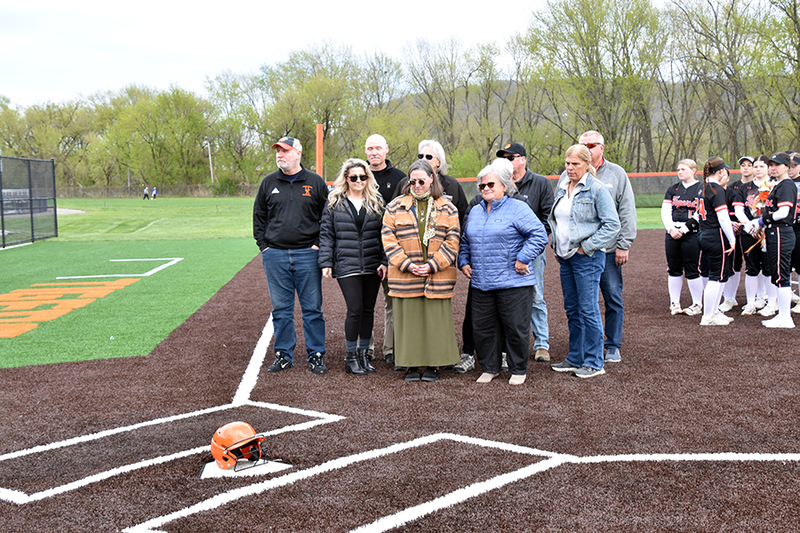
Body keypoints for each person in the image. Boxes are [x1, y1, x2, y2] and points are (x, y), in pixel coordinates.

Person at [458, 161, 547, 385]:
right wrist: (464, 260)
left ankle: (518, 369)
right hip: (482, 282)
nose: (486, 188)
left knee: (515, 327)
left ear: (504, 185)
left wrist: (522, 258)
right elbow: (466, 239)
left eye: (491, 184)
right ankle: (490, 367)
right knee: (484, 328)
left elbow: (538, 234)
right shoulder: (476, 211)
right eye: (482, 186)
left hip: (513, 282)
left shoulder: (518, 208)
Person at [253, 136, 329, 374]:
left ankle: (316, 354)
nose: (280, 155)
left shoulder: (315, 182)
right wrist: (264, 246)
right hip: (275, 255)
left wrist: (317, 244)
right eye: (278, 151)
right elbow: (259, 217)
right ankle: (284, 354)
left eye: (285, 151)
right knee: (281, 309)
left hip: (308, 254)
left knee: (312, 308)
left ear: (298, 153)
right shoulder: (268, 183)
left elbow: (326, 217)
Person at [382, 159, 461, 382]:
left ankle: (434, 365)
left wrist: (433, 265)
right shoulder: (395, 207)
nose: (417, 185)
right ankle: (411, 365)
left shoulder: (448, 207)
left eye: (422, 181)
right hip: (405, 274)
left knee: (435, 320)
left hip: (438, 274)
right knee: (409, 321)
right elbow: (388, 240)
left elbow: (453, 240)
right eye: (413, 181)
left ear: (431, 180)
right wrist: (407, 264)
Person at [549, 145, 620, 378]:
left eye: (575, 164)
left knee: (588, 309)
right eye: (567, 164)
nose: (570, 168)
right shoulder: (561, 186)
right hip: (565, 258)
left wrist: (586, 247)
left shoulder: (598, 189)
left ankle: (594, 362)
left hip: (587, 258)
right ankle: (575, 357)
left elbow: (612, 225)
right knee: (572, 308)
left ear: (587, 164)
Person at [319, 158, 387, 374]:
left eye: (363, 177)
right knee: (355, 309)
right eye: (354, 177)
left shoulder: (376, 201)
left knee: (368, 310)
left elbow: (385, 234)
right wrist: (326, 261)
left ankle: (363, 355)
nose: (359, 180)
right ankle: (350, 357)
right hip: (347, 264)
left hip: (372, 263)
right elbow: (327, 233)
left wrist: (384, 261)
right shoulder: (334, 202)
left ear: (368, 178)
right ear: (346, 179)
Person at [574, 130, 636, 363]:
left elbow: (627, 210)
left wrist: (624, 244)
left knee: (612, 296)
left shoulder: (616, 173)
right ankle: (584, 344)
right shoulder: (572, 172)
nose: (586, 148)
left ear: (601, 148)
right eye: (582, 145)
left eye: (591, 145)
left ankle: (612, 344)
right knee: (581, 299)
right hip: (581, 250)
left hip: (609, 250)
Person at [495, 142, 554, 363]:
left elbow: (547, 219)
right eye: (504, 157)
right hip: (503, 251)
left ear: (523, 160)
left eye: (512, 157)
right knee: (504, 297)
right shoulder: (498, 181)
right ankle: (506, 346)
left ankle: (541, 344)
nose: (508, 161)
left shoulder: (539, 183)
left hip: (531, 251)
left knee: (535, 296)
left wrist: (531, 248)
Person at [364, 134, 406, 364]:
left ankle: (390, 349)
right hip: (366, 250)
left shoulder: (399, 178)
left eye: (378, 148)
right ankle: (366, 348)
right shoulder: (359, 175)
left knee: (392, 302)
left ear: (387, 149)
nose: (374, 152)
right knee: (364, 304)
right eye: (370, 148)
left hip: (392, 252)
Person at [744, 152, 797, 328]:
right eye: (772, 165)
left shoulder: (786, 185)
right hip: (775, 232)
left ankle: (785, 317)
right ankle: (782, 315)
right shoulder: (778, 184)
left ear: (786, 167)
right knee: (778, 275)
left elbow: (783, 212)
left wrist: (760, 221)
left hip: (782, 232)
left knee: (782, 276)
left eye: (778, 165)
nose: (773, 168)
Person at [695, 157, 736, 326]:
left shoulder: (702, 187)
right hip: (715, 234)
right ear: (720, 172)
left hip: (704, 233)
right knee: (716, 277)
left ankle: (713, 311)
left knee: (720, 275)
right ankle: (708, 315)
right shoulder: (717, 189)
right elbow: (723, 218)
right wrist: (732, 239)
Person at [733, 155, 775, 315]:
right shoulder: (745, 188)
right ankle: (751, 303)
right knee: (751, 268)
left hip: (768, 231)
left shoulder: (774, 186)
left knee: (769, 268)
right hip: (749, 232)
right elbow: (739, 209)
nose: (758, 170)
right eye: (755, 166)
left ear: (768, 168)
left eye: (761, 167)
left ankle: (771, 303)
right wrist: (751, 226)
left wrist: (763, 226)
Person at [661, 159, 703, 315]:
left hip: (691, 233)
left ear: (693, 170)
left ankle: (697, 303)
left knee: (692, 269)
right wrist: (671, 228)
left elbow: (701, 213)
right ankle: (675, 303)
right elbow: (665, 211)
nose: (679, 172)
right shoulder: (673, 189)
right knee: (674, 269)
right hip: (672, 233)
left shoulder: (701, 188)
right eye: (678, 169)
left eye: (683, 169)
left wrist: (685, 228)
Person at [720, 156, 755, 312]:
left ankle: (759, 297)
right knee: (733, 264)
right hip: (734, 230)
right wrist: (732, 224)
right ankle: (729, 298)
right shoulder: (733, 187)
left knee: (755, 264)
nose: (746, 168)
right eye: (743, 165)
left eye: (749, 165)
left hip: (754, 231)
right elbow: (725, 210)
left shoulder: (762, 186)